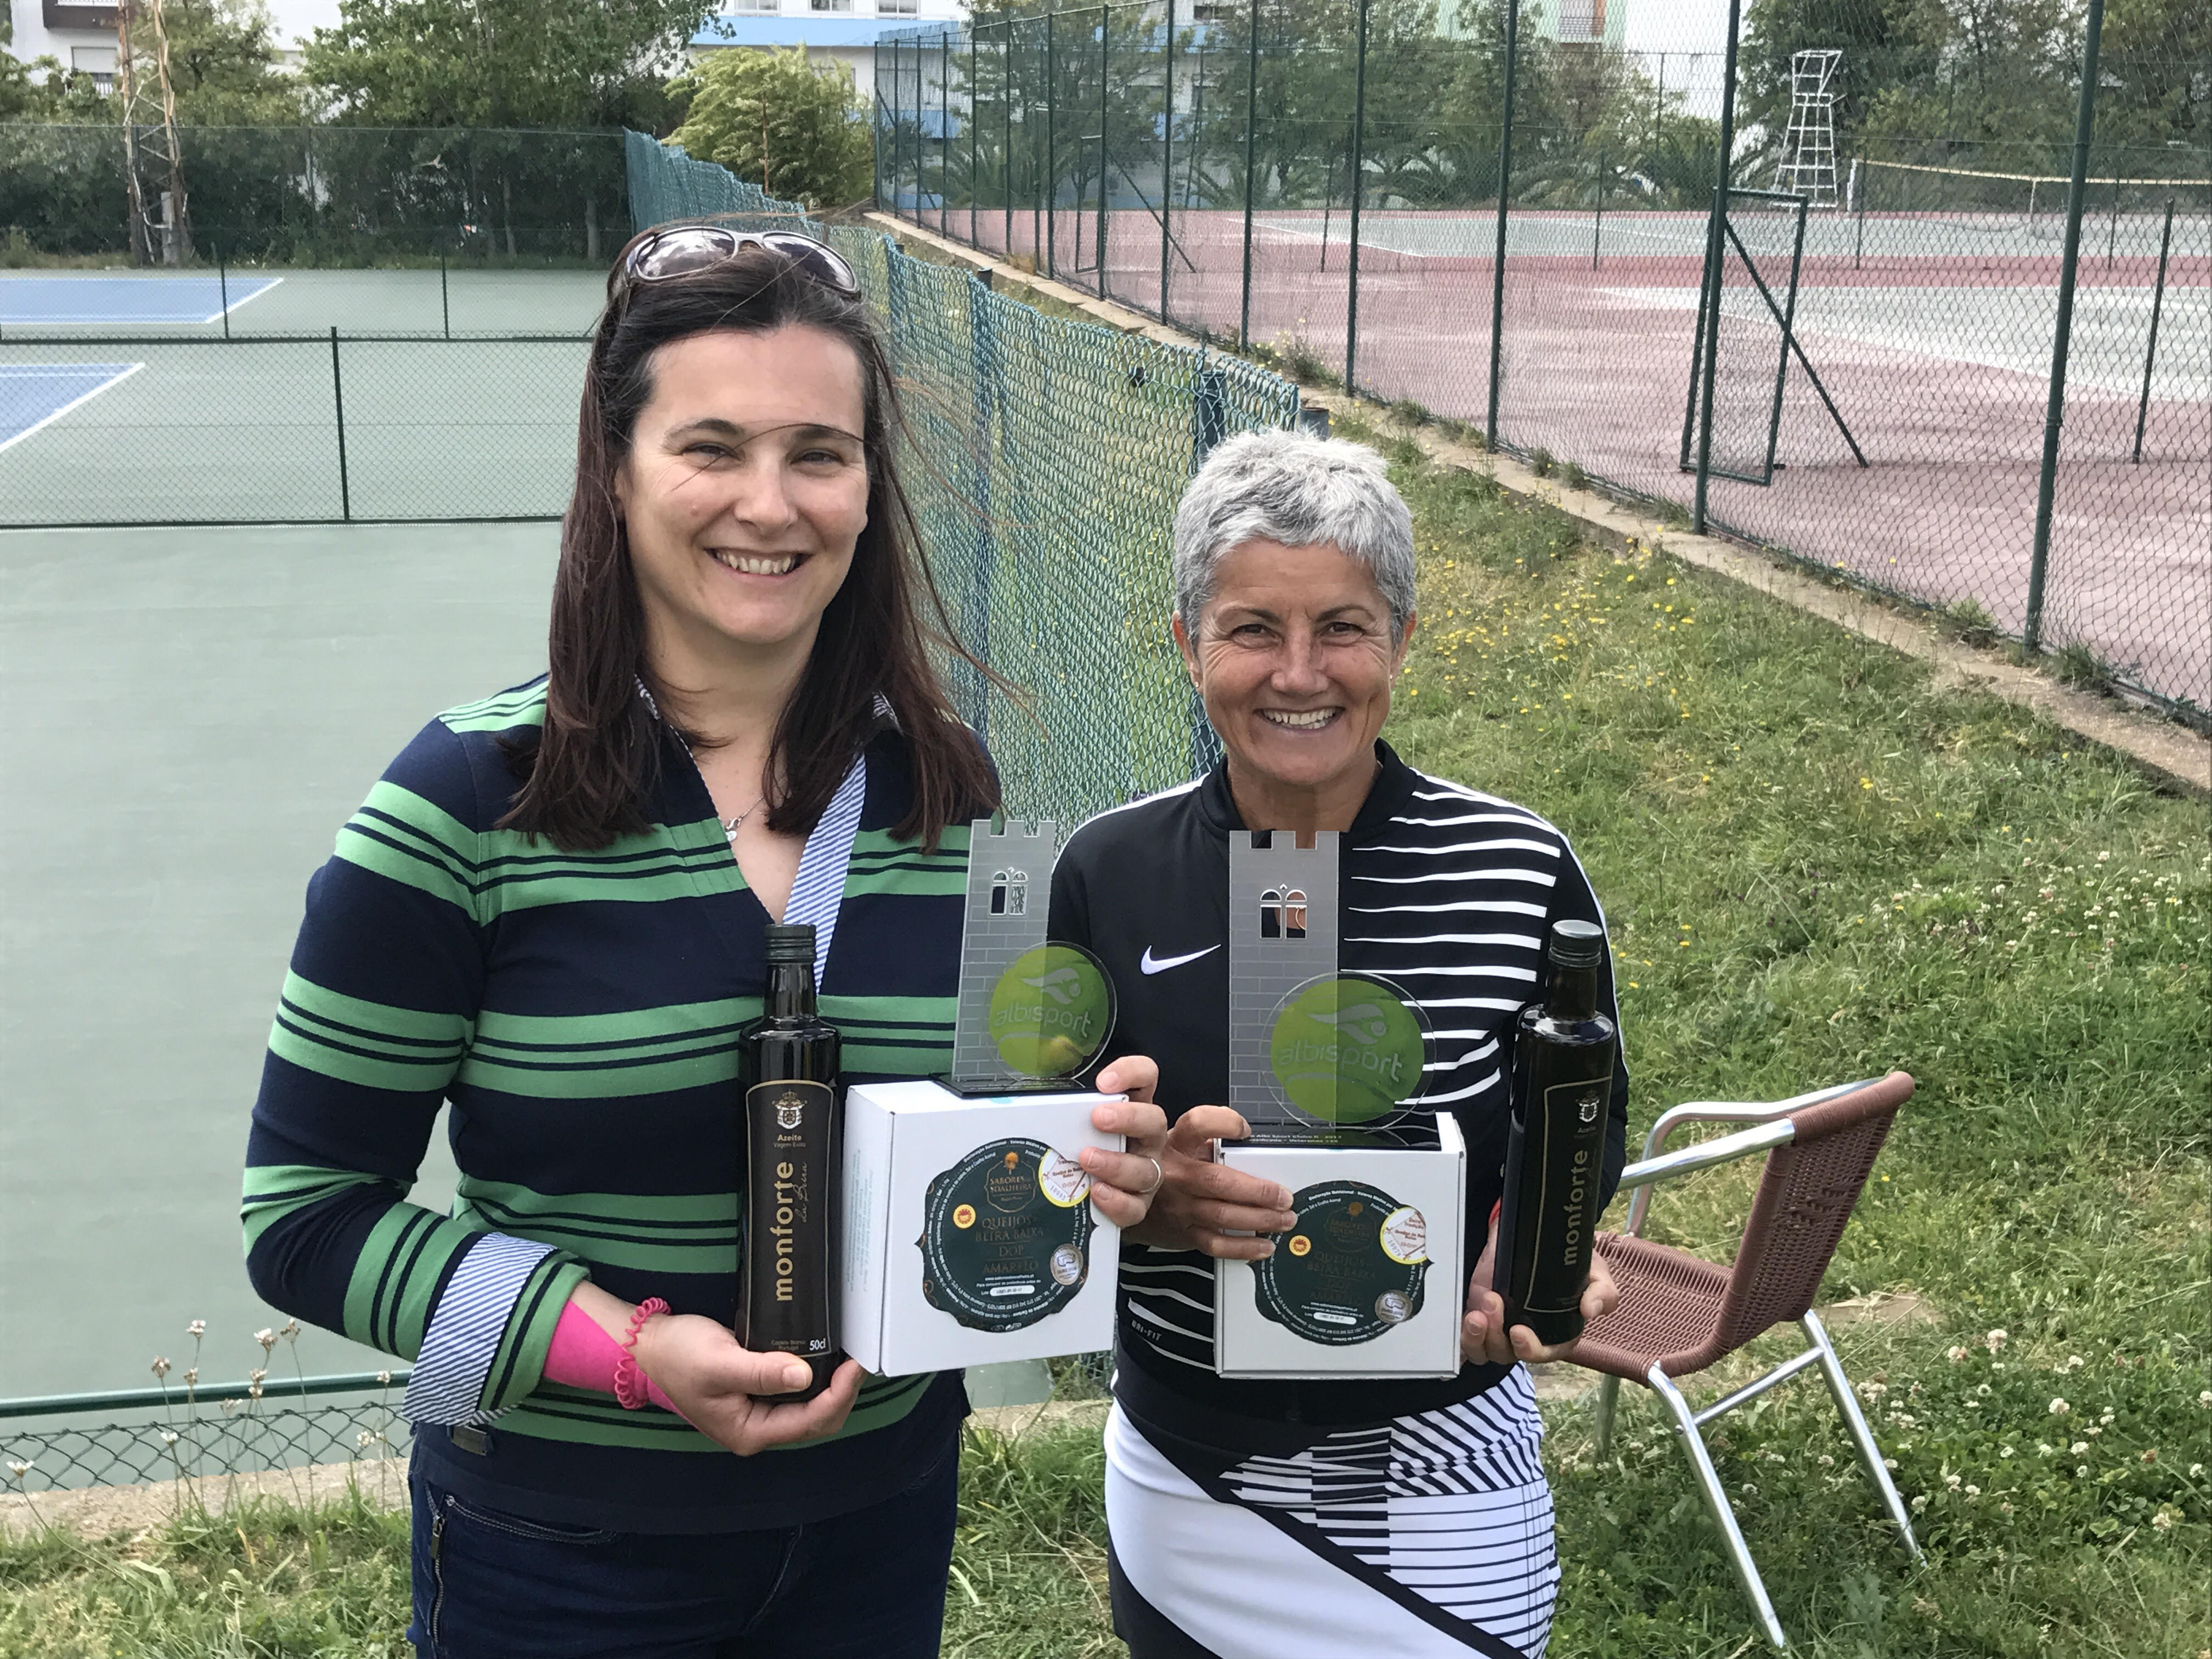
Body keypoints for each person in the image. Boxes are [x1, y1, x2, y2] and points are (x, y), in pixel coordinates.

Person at [241, 225, 1170, 1659]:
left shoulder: (950, 792)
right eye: (712, 448)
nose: (770, 502)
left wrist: (1095, 1156)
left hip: (883, 1516)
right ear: (616, 472)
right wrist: (626, 1353)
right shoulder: (461, 807)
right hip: (558, 1550)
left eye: (819, 453)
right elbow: (305, 1219)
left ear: (867, 489)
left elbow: (986, 1136)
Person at [1048, 430, 1628, 1659]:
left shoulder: (1518, 869)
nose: (1300, 673)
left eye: (1344, 628)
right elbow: (1040, 1159)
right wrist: (1143, 1204)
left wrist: (1536, 1250)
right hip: (1189, 1471)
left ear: (1402, 641)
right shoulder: (1107, 869)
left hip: (1445, 1462)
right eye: (1253, 628)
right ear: (1188, 642)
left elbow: (1587, 1124)